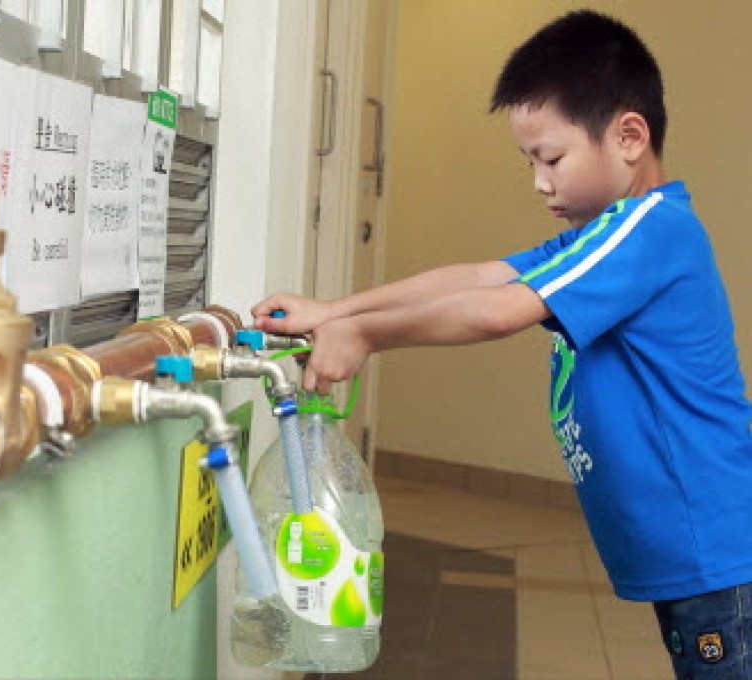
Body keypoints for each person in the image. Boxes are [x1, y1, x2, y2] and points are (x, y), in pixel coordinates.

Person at [252, 10, 752, 678]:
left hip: (718, 554)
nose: (540, 181)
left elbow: (495, 311)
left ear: (629, 135)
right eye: (529, 162)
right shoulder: (600, 236)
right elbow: (481, 276)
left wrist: (365, 335)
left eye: (552, 158)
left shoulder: (649, 231)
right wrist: (338, 311)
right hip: (700, 559)